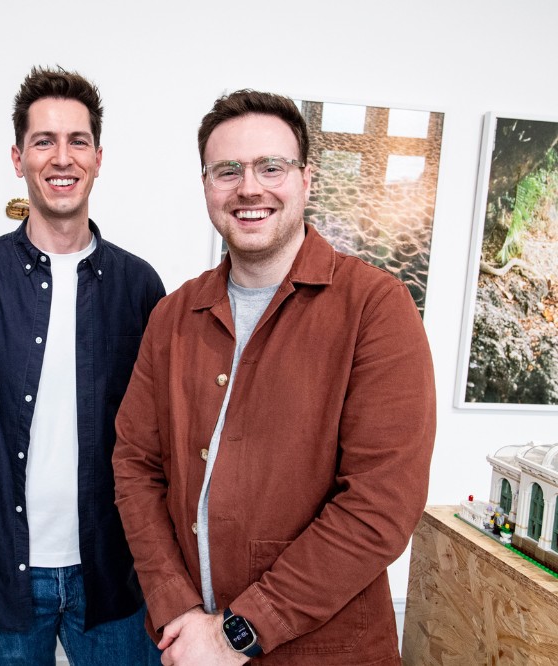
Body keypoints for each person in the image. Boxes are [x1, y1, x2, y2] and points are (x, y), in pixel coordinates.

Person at [112, 89, 436, 665]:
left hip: (326, 652)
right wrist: (176, 608)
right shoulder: (173, 316)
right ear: (207, 185)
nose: (249, 188)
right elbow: (136, 464)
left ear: (306, 179)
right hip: (189, 646)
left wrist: (239, 631)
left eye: (271, 167)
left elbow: (380, 505)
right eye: (227, 170)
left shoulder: (376, 308)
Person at [0, 66, 165, 664]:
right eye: (44, 141)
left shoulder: (140, 287)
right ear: (17, 155)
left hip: (114, 576)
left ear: (99, 158)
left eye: (78, 141)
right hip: (4, 578)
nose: (62, 157)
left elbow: (163, 444)